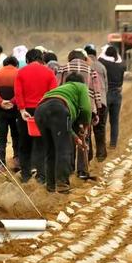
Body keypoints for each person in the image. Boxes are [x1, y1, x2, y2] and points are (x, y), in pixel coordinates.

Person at [34, 72, 91, 193]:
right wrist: (86, 125)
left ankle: (51, 186)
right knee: (64, 150)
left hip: (39, 111)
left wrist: (77, 138)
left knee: (51, 150)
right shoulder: (81, 86)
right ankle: (62, 185)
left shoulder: (60, 90)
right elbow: (86, 109)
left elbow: (66, 128)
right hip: (58, 109)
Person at [55, 49, 103, 178]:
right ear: (83, 58)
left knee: (69, 136)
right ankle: (82, 170)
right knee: (84, 136)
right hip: (85, 108)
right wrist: (96, 110)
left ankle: (69, 168)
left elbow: (56, 87)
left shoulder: (62, 68)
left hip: (67, 108)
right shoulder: (91, 70)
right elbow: (96, 92)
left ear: (70, 58)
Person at [14, 48, 58, 184]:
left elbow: (18, 92)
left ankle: (26, 175)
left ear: (27, 60)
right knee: (43, 143)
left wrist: (22, 110)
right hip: (44, 111)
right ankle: (41, 175)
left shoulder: (20, 73)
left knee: (24, 143)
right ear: (42, 60)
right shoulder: (49, 73)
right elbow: (54, 93)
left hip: (26, 113)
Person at [0, 56, 20, 172]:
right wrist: (12, 102)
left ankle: (1, 164)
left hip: (0, 112)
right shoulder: (19, 73)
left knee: (1, 138)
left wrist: (1, 102)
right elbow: (22, 90)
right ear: (16, 65)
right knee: (17, 136)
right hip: (16, 111)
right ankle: (17, 160)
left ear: (4, 64)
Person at [98, 45, 126, 149]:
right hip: (117, 94)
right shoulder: (121, 65)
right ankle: (113, 144)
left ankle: (102, 144)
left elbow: (99, 58)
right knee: (114, 121)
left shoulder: (103, 62)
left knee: (102, 121)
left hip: (106, 94)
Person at [85, 43, 109, 161]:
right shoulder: (101, 66)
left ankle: (88, 155)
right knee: (100, 129)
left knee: (87, 130)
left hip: (89, 102)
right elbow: (106, 85)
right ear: (95, 54)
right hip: (102, 102)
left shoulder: (84, 66)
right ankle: (101, 154)